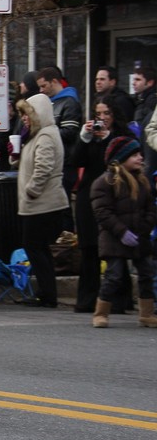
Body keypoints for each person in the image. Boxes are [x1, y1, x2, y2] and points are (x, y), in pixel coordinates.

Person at [70, 99, 136, 313]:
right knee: (89, 248)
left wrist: (108, 140)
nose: (102, 118)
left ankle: (119, 300)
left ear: (114, 114)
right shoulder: (91, 138)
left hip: (114, 197)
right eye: (98, 114)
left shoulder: (123, 137)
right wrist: (84, 138)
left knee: (114, 249)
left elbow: (120, 162)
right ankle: (87, 299)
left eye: (106, 113)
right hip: (88, 197)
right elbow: (75, 161)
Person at [89, 136, 157, 329]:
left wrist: (144, 229)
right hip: (114, 238)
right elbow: (102, 212)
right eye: (134, 155)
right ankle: (101, 313)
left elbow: (151, 208)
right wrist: (122, 232)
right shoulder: (105, 182)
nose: (140, 158)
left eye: (140, 154)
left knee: (147, 273)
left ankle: (147, 313)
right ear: (121, 158)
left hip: (140, 237)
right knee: (114, 275)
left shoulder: (143, 181)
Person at [10, 94, 67, 308]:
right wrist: (15, 156)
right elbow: (29, 162)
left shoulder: (45, 136)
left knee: (35, 247)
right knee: (38, 248)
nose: (23, 118)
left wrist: (31, 191)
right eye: (22, 114)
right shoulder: (36, 135)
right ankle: (46, 292)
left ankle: (47, 294)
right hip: (37, 203)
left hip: (43, 203)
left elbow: (44, 168)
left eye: (27, 113)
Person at [36, 66, 83, 201]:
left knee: (63, 206)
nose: (41, 90)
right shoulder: (52, 102)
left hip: (65, 163)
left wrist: (44, 134)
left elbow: (70, 132)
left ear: (54, 82)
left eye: (44, 86)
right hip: (54, 160)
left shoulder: (70, 103)